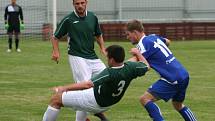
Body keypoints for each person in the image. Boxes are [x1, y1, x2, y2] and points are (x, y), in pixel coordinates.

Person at [42, 45, 150, 121]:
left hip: (95, 101)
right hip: (109, 103)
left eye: (107, 57)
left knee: (56, 99)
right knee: (82, 99)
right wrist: (138, 53)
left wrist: (64, 88)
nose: (107, 60)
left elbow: (87, 85)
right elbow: (146, 66)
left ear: (112, 59)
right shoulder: (131, 68)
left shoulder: (109, 72)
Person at [125, 20, 197, 121]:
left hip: (172, 78)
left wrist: (119, 65)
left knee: (144, 99)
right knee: (178, 105)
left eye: (128, 34)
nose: (127, 37)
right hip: (183, 74)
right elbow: (168, 41)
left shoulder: (142, 45)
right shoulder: (153, 37)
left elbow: (136, 61)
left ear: (135, 32)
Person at [51, 0, 107, 120]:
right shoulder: (68, 19)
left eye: (82, 3)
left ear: (87, 2)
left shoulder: (93, 17)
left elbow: (98, 34)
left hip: (92, 56)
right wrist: (56, 51)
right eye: (77, 3)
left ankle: (94, 111)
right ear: (73, 4)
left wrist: (102, 48)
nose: (80, 6)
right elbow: (55, 37)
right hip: (77, 56)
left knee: (107, 78)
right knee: (84, 89)